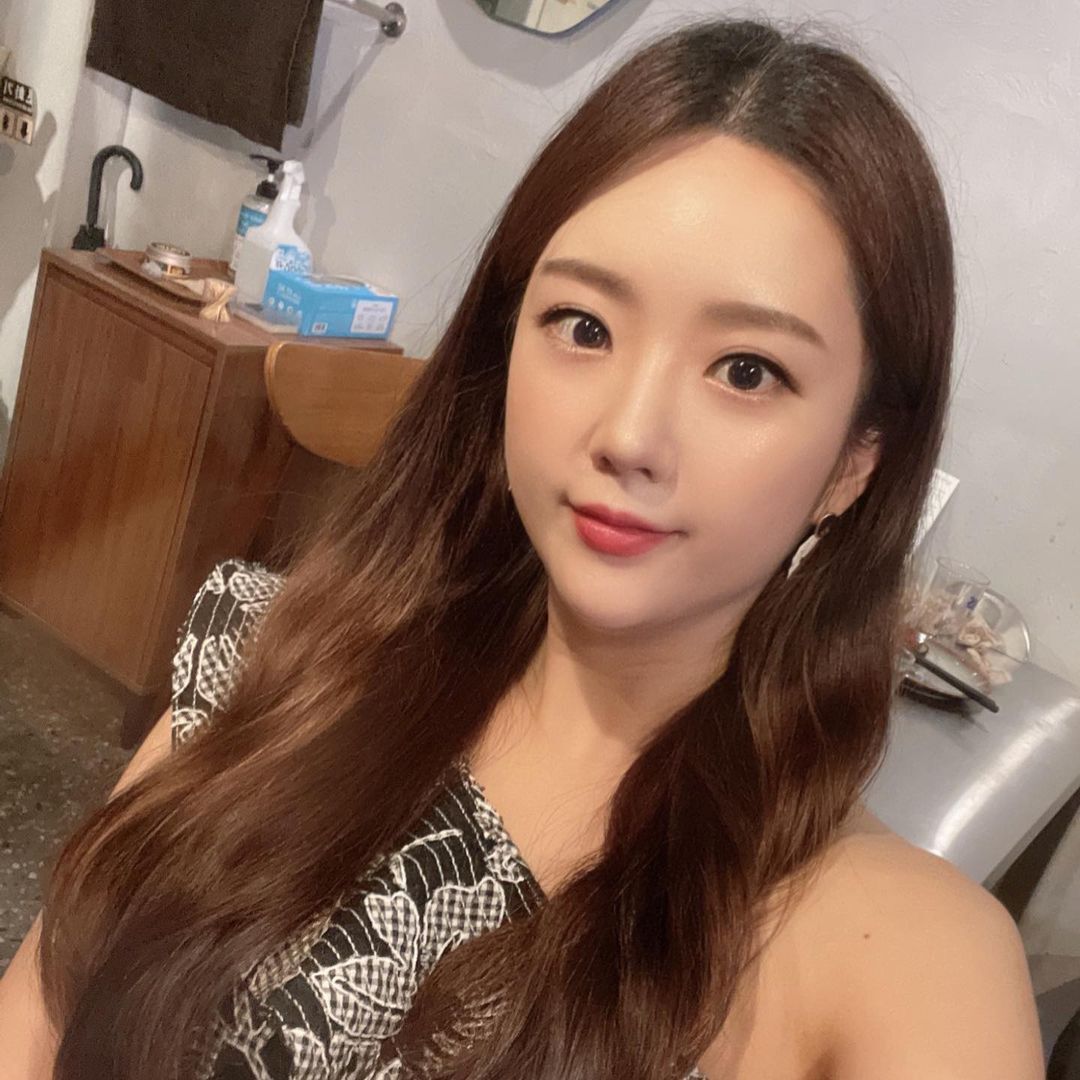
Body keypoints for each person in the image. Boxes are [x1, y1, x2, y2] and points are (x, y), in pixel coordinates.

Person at [0, 16, 1043, 1080]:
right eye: (584, 327)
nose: (629, 435)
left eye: (746, 371)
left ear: (855, 462)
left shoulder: (903, 955)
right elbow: (40, 1016)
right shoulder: (278, 667)